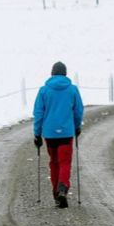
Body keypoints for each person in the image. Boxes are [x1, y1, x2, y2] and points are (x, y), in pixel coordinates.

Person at [33, 61, 84, 208]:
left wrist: (37, 133)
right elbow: (78, 110)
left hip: (49, 134)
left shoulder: (44, 90)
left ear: (52, 73)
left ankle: (56, 194)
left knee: (54, 162)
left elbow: (38, 113)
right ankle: (63, 187)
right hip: (67, 132)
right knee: (65, 162)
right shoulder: (72, 89)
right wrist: (77, 126)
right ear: (65, 73)